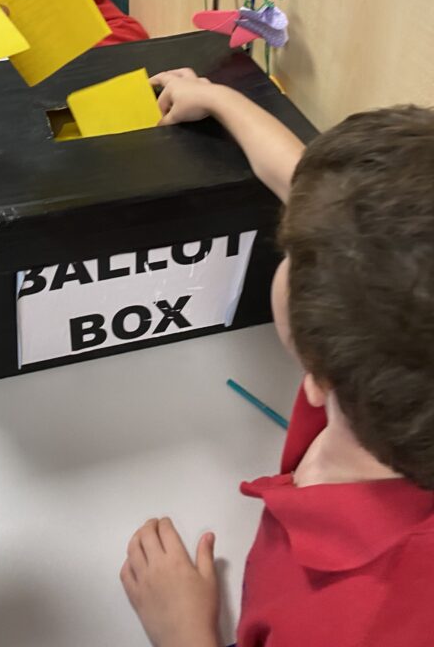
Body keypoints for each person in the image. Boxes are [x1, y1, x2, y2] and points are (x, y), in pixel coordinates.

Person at [121, 68, 434, 647]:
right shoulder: (394, 358)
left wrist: (185, 631)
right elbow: (315, 194)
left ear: (318, 375)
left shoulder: (351, 619)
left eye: (293, 252)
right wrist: (216, 97)